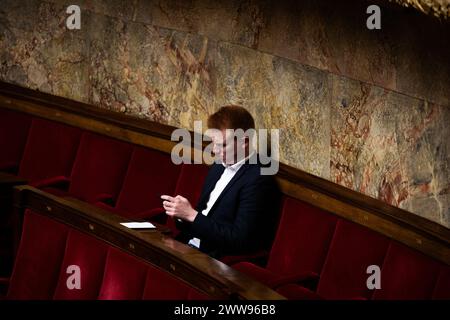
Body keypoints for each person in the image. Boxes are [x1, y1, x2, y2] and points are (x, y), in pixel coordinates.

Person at [161, 105, 280, 259]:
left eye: (222, 145)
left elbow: (239, 239)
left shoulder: (259, 179)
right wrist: (179, 214)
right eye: (214, 143)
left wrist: (191, 215)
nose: (215, 151)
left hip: (214, 260)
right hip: (187, 246)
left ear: (244, 142)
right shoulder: (218, 166)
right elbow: (203, 215)